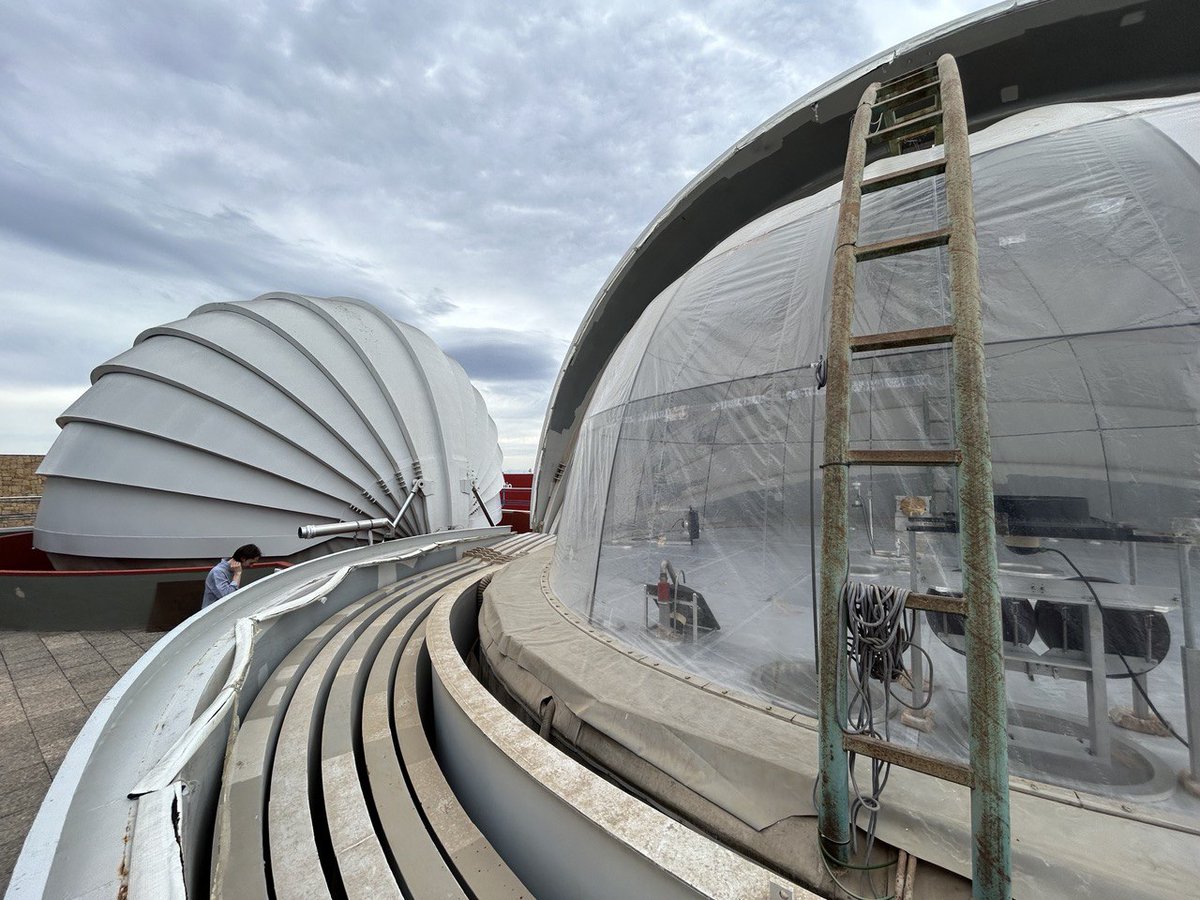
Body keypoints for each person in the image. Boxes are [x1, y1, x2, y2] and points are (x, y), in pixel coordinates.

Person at [201, 543, 262, 609]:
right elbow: (228, 597)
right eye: (251, 563)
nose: (251, 566)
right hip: (212, 615)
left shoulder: (233, 569)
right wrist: (237, 574)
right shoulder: (218, 572)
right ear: (243, 558)